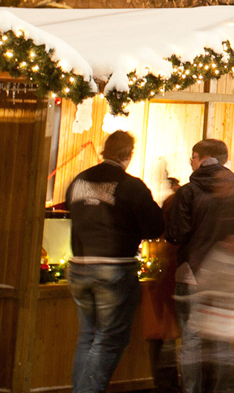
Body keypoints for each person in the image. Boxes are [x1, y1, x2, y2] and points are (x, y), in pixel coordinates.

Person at [65, 130, 165, 393]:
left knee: (87, 336)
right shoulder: (131, 186)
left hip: (78, 265)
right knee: (109, 340)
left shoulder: (79, 180)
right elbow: (155, 226)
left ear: (104, 150)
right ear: (129, 154)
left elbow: (71, 211)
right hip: (114, 268)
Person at [164, 138, 234, 393]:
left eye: (191, 158)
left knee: (192, 342)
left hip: (192, 274)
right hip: (228, 274)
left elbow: (176, 234)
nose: (191, 162)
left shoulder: (187, 192)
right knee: (220, 341)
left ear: (198, 157)